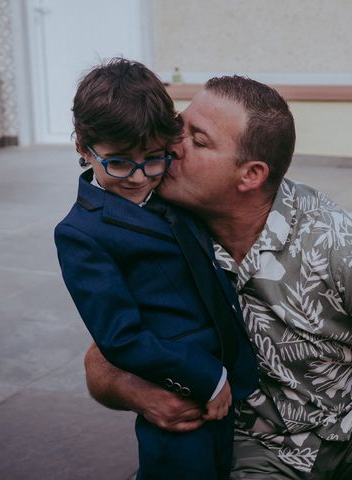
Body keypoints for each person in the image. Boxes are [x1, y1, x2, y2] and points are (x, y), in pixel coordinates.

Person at [84, 75, 352, 479]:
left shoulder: (332, 240)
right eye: (179, 127)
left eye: (198, 139)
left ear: (250, 175)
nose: (172, 145)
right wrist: (142, 395)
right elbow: (103, 360)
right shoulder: (160, 229)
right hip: (253, 443)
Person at [54, 59, 257, 479]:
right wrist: (207, 377)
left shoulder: (169, 188)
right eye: (119, 162)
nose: (139, 177)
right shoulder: (81, 233)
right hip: (179, 388)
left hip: (234, 382)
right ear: (82, 147)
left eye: (153, 158)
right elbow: (121, 338)